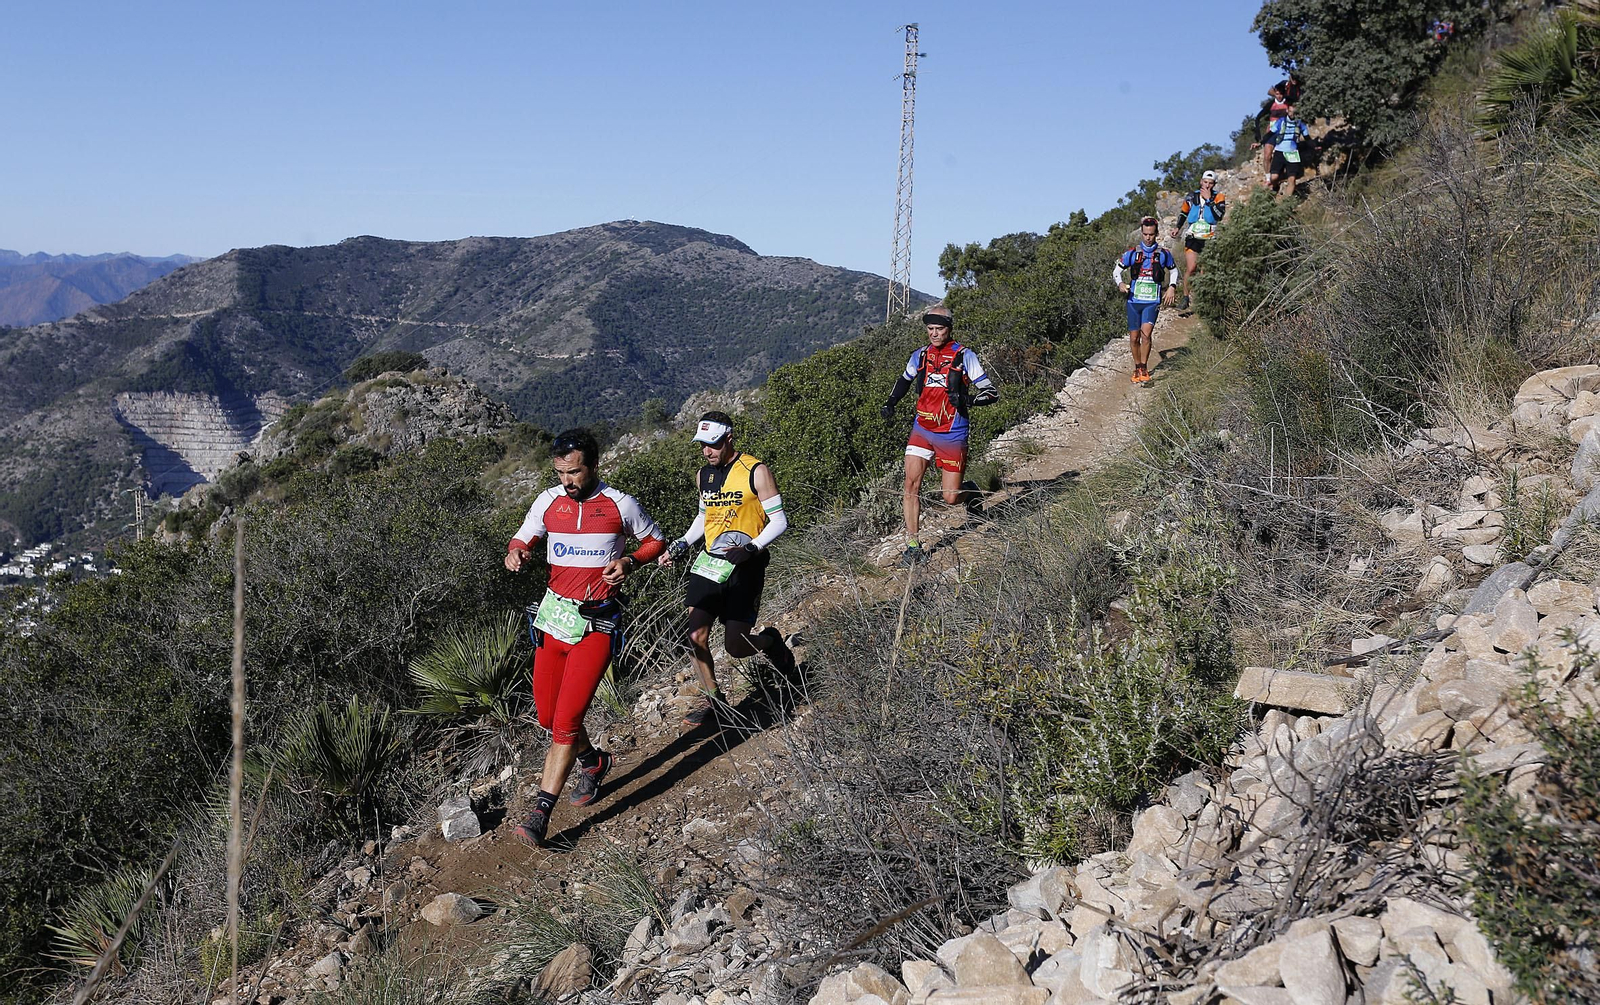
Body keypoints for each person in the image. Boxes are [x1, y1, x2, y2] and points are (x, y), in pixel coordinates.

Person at [505, 428, 666, 847]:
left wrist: (630, 561)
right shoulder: (548, 501)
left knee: (566, 722)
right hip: (553, 619)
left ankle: (541, 812)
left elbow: (654, 540)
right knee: (546, 717)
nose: (567, 481)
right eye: (560, 472)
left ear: (594, 465)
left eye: (574, 472)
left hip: (597, 624)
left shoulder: (620, 504)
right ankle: (593, 762)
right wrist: (517, 551)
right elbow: (523, 536)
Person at [658, 411, 798, 729]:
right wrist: (682, 543)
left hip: (745, 566)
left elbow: (779, 521)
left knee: (735, 646)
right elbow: (704, 517)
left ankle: (772, 643)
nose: (707, 451)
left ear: (728, 439)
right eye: (702, 445)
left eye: (713, 444)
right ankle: (716, 702)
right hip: (709, 563)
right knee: (695, 635)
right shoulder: (703, 476)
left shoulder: (756, 471)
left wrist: (751, 548)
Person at [879, 304, 998, 566]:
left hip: (952, 431)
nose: (934, 334)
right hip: (922, 428)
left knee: (950, 497)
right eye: (930, 329)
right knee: (910, 486)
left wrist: (967, 398)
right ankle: (913, 546)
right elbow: (904, 380)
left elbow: (991, 392)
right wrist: (890, 402)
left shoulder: (965, 356)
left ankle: (971, 493)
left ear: (949, 329)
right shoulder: (920, 355)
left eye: (939, 329)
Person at [1114, 217, 1177, 385]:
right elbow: (1116, 271)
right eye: (1145, 234)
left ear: (1156, 233)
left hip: (1152, 301)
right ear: (1141, 233)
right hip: (1134, 302)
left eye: (1151, 234)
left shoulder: (1163, 254)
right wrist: (1120, 283)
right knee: (1134, 338)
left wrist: (1172, 287)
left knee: (1146, 335)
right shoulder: (1132, 253)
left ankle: (1143, 367)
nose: (1148, 238)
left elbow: (1174, 270)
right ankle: (1136, 367)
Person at [1173, 170, 1226, 310]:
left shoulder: (1218, 197)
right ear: (1201, 181)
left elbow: (1219, 215)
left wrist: (1209, 200)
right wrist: (1177, 227)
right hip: (1193, 237)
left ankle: (1203, 300)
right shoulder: (1191, 196)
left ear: (1214, 184)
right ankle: (1185, 298)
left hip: (1209, 238)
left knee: (1204, 270)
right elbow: (1184, 212)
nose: (1207, 185)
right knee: (1191, 268)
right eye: (1205, 182)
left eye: (1210, 183)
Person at [1266, 105, 1309, 197]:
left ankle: (1287, 202)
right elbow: (1270, 134)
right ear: (1287, 111)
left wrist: (1314, 146)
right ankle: (1275, 186)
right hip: (1279, 151)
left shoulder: (1300, 123)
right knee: (1274, 177)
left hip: (1293, 153)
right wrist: (1260, 142)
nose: (1292, 114)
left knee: (1292, 179)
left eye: (1294, 112)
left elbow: (1307, 138)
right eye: (1290, 112)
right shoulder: (1280, 122)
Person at [1253, 82, 1289, 174]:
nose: (1279, 96)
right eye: (1277, 94)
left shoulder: (1289, 102)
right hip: (1272, 132)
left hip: (1286, 131)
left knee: (1285, 155)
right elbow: (1258, 118)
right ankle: (1268, 177)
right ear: (1275, 94)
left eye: (1281, 94)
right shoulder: (1270, 104)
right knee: (1267, 155)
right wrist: (1258, 137)